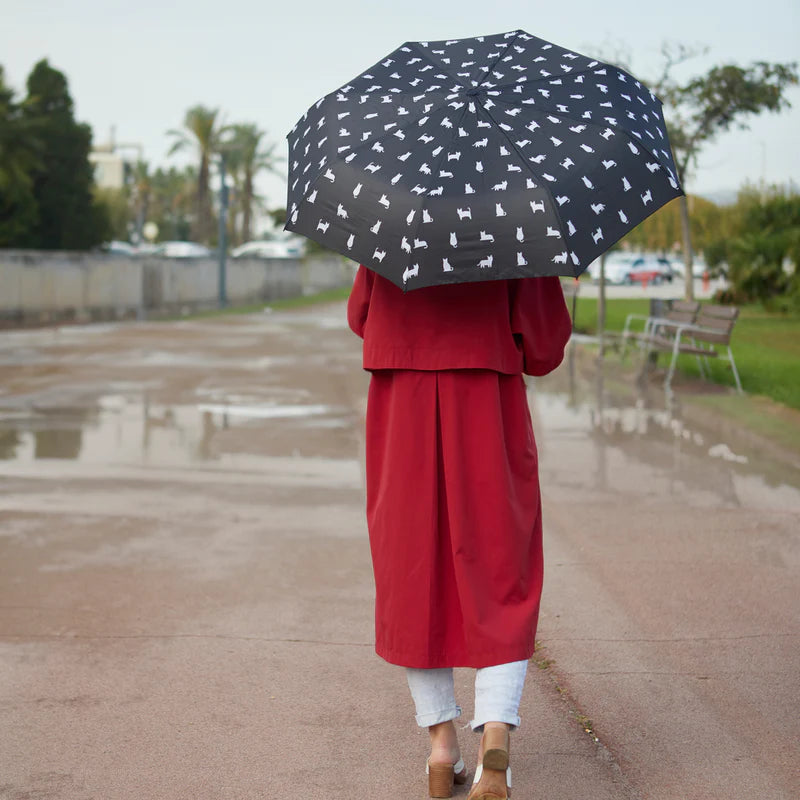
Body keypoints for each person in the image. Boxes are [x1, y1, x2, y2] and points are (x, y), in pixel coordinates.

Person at [347, 264, 572, 800]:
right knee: (501, 567)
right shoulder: (516, 226)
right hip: (486, 404)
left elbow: (360, 317)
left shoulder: (395, 214)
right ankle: (495, 728)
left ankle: (442, 748)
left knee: (412, 572)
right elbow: (544, 348)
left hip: (403, 406)